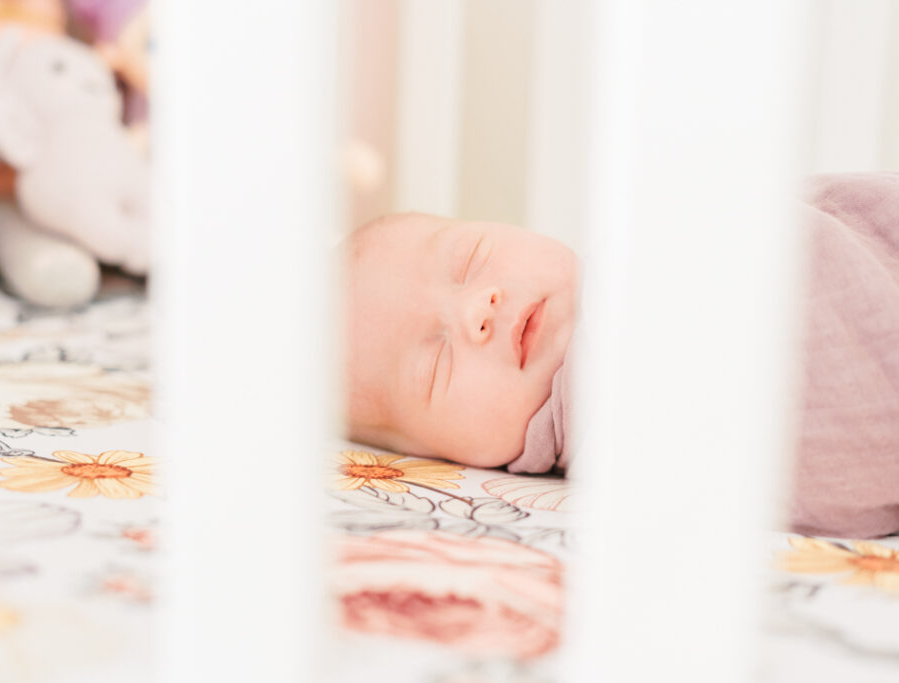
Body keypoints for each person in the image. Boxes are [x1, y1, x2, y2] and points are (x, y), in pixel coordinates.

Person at [343, 173, 899, 538]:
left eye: (470, 260)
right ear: (441, 455)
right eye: (435, 363)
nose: (475, 311)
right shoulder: (614, 475)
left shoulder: (650, 260)